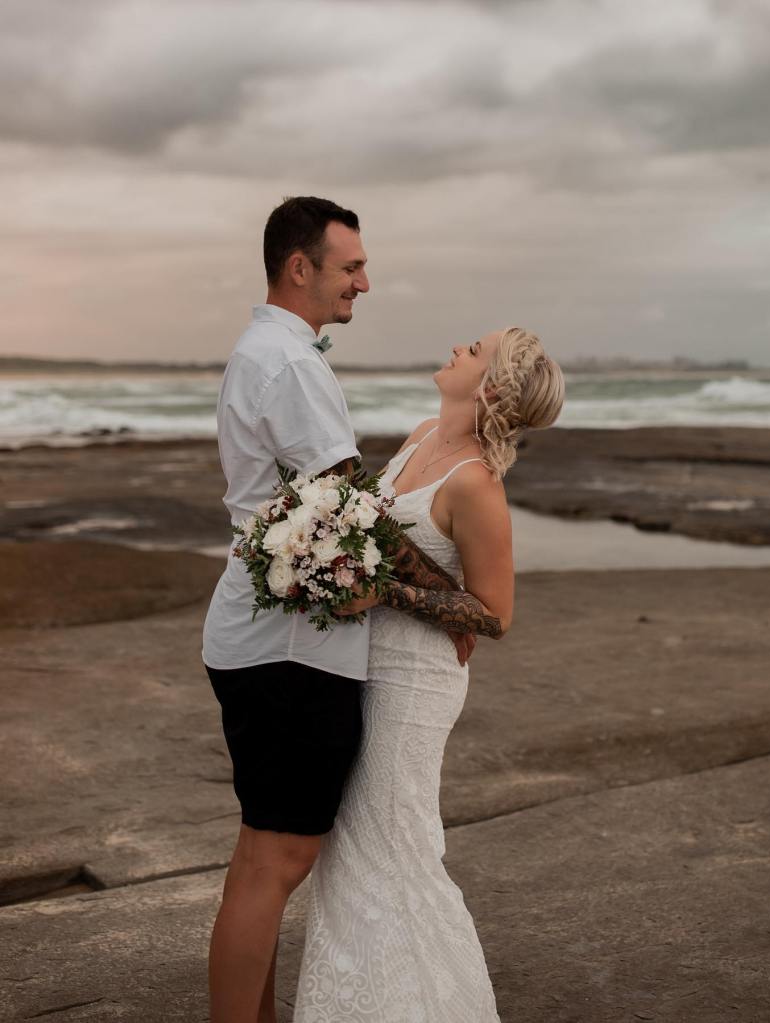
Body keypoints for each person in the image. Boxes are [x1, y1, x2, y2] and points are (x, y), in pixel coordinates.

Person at [201, 196, 469, 1023]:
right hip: (286, 645)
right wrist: (449, 604)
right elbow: (352, 510)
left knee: (264, 852)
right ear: (299, 267)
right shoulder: (288, 363)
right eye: (350, 267)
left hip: (267, 635)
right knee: (278, 858)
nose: (364, 282)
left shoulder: (272, 352)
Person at [293, 326, 565, 1021]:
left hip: (414, 682)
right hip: (359, 662)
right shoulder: (419, 436)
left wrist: (381, 591)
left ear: (492, 388)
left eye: (474, 350)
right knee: (347, 844)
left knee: (393, 844)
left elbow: (495, 613)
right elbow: (379, 540)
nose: (457, 349)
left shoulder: (474, 482)